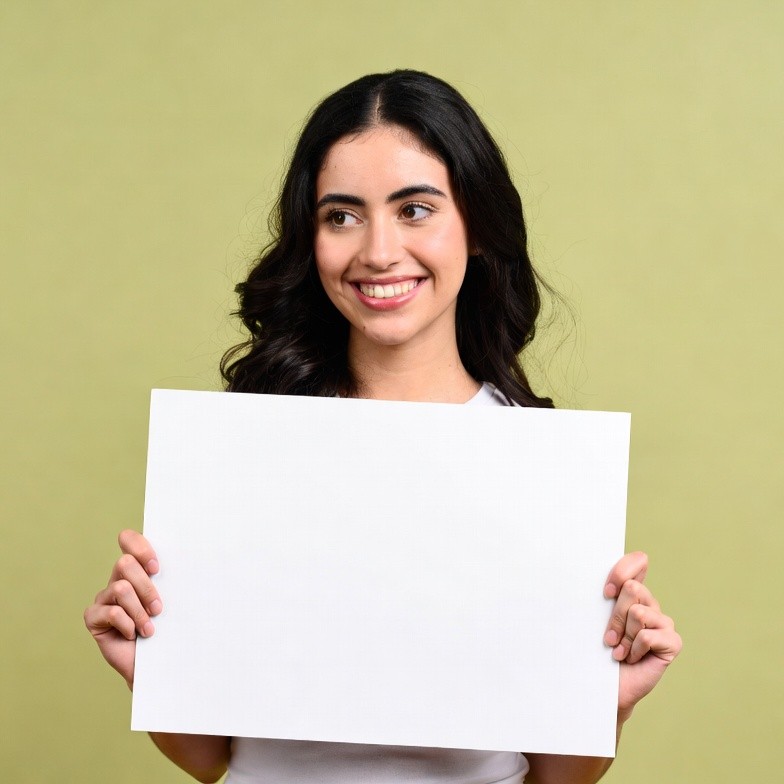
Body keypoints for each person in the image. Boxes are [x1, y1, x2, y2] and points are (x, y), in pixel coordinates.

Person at [84, 69, 681, 784]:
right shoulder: (247, 451)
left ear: (480, 227)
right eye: (342, 215)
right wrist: (146, 667)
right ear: (312, 238)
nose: (377, 252)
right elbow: (211, 760)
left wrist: (606, 703)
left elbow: (554, 778)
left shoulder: (540, 470)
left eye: (415, 209)